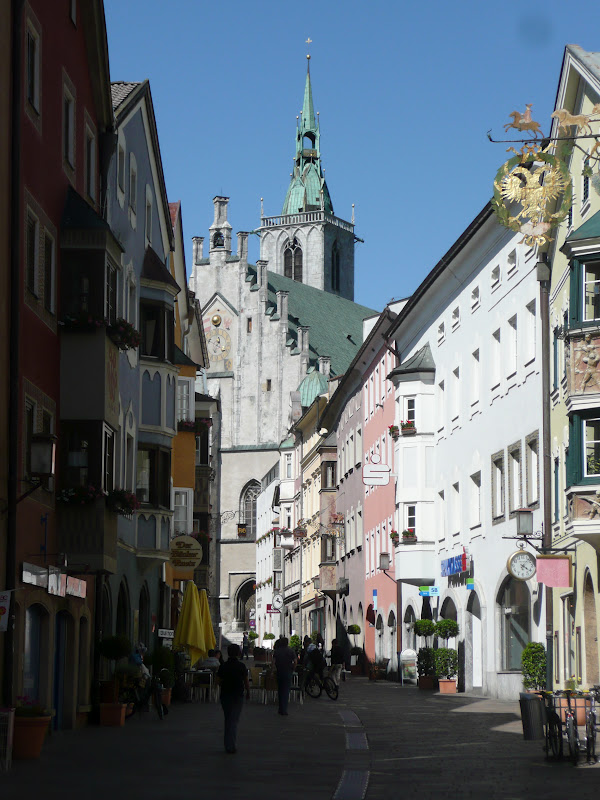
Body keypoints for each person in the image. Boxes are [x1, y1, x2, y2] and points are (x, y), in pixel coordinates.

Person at [217, 644, 250, 754]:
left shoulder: (223, 666)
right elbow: (246, 681)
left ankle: (228, 744)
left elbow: (218, 681)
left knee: (228, 719)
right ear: (238, 653)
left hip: (225, 694)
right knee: (234, 720)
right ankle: (230, 745)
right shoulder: (241, 666)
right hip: (237, 695)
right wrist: (248, 692)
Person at [273, 637, 297, 715]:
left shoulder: (277, 651)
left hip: (279, 671)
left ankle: (280, 708)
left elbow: (273, 662)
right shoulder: (291, 651)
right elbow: (295, 661)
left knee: (280, 690)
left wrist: (274, 669)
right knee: (286, 690)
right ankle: (284, 709)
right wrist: (293, 668)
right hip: (288, 672)